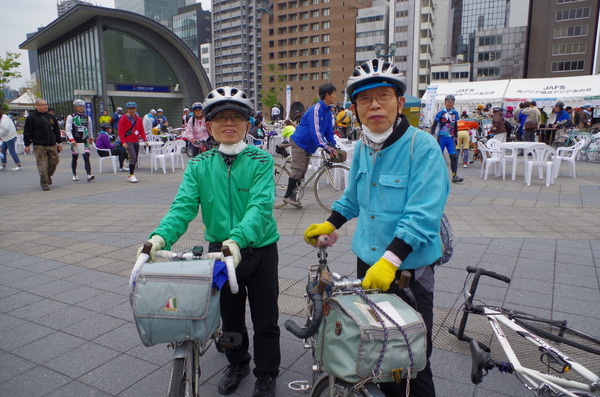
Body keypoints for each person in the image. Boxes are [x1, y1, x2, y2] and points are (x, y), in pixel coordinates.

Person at [303, 58, 449, 397]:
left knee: (410, 360)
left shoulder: (421, 146)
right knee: (371, 345)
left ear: (399, 103)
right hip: (368, 264)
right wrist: (330, 222)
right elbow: (352, 198)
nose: (374, 106)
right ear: (354, 109)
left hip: (406, 270)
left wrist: (392, 260)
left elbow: (423, 214)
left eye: (383, 96)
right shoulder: (365, 147)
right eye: (365, 100)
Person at [139, 86, 280, 397]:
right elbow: (182, 208)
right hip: (220, 252)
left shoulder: (261, 160)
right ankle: (237, 362)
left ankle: (267, 373)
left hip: (260, 249)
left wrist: (238, 238)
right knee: (229, 315)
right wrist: (159, 237)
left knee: (266, 316)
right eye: (220, 118)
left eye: (236, 117)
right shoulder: (199, 165)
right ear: (209, 125)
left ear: (247, 124)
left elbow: (260, 206)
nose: (228, 124)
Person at [281, 83, 338, 207]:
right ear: (327, 95)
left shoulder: (328, 111)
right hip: (299, 142)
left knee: (303, 170)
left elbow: (329, 130)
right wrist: (326, 146)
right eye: (333, 93)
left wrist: (332, 144)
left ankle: (294, 195)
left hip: (309, 145)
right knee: (299, 169)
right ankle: (287, 196)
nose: (335, 96)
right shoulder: (316, 109)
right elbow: (315, 131)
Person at [23, 99, 63, 191]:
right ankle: (44, 183)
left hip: (52, 144)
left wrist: (59, 142)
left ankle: (48, 176)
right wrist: (27, 144)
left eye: (46, 104)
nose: (45, 106)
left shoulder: (51, 117)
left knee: (54, 162)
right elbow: (27, 132)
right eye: (42, 105)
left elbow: (56, 131)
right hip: (39, 145)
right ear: (37, 106)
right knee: (42, 164)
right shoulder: (31, 118)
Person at [431, 94, 463, 183]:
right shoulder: (440, 113)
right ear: (445, 102)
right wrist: (431, 135)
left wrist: (456, 136)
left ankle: (454, 176)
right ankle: (433, 175)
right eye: (448, 101)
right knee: (437, 157)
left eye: (452, 101)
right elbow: (434, 125)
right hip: (441, 138)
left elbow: (455, 125)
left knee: (453, 156)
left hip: (450, 138)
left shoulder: (455, 113)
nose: (450, 103)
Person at [65, 99, 95, 182]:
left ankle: (89, 174)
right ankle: (74, 173)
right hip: (75, 140)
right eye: (79, 106)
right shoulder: (71, 117)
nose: (81, 108)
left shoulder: (87, 117)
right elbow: (68, 129)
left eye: (82, 106)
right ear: (75, 107)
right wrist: (72, 139)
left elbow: (89, 128)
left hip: (84, 139)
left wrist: (91, 138)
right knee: (75, 157)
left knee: (86, 157)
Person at [118, 102, 148, 183]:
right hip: (128, 140)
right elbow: (120, 132)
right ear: (127, 109)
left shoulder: (139, 119)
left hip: (136, 140)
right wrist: (123, 142)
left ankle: (131, 173)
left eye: (133, 108)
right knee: (133, 156)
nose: (132, 110)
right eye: (130, 109)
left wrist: (145, 140)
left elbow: (141, 130)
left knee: (135, 158)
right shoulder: (123, 119)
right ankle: (131, 174)